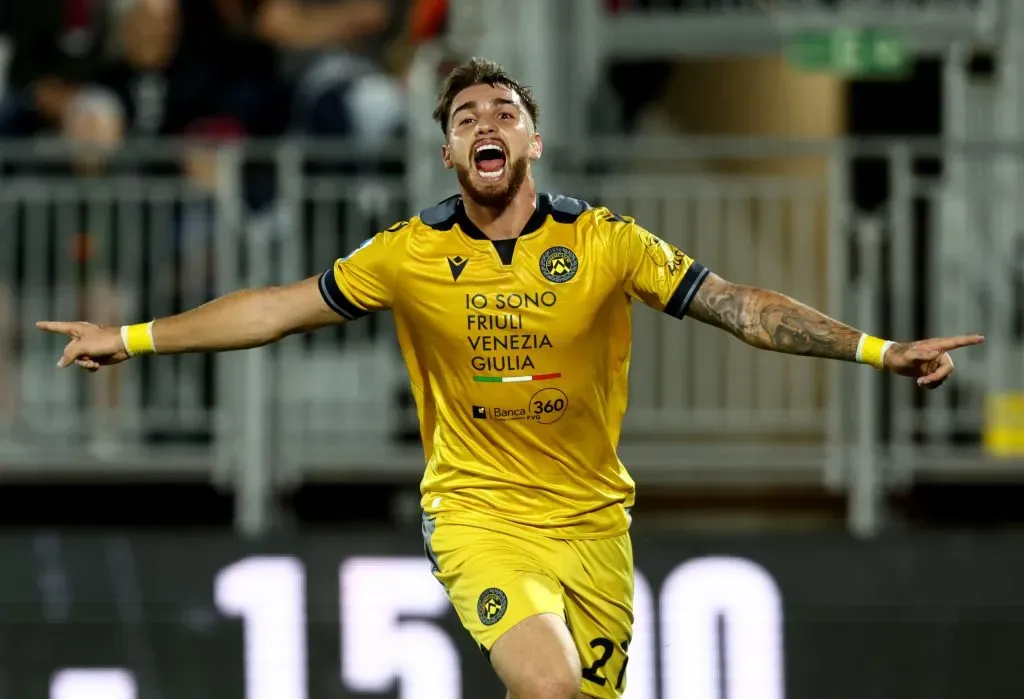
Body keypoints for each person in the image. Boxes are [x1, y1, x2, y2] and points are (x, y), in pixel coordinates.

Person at [37, 58, 983, 699]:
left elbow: (738, 305)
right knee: (545, 682)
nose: (485, 123)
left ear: (533, 143)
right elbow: (279, 307)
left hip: (592, 524)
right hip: (479, 513)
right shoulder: (407, 254)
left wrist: (876, 349)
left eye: (505, 113)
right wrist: (134, 335)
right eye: (465, 117)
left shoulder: (609, 242)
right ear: (449, 153)